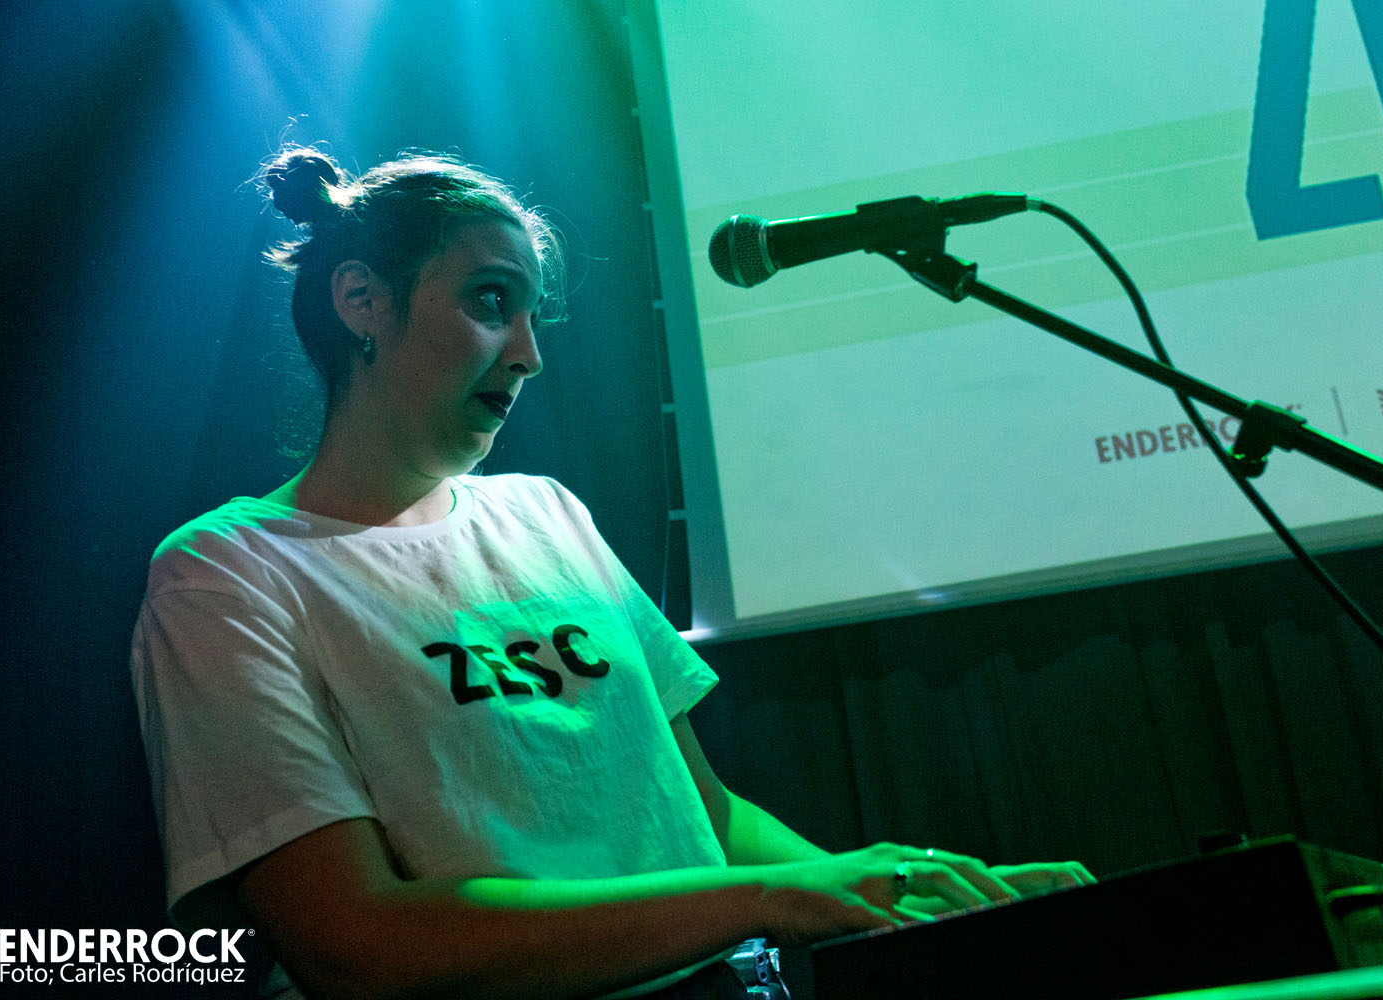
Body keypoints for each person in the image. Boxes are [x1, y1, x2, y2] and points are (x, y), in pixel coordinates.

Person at [130, 147, 1093, 1000]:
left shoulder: (546, 514)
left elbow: (705, 817)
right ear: (362, 301)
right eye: (491, 302)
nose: (529, 354)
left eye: (531, 315)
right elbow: (355, 944)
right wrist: (770, 898)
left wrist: (920, 903)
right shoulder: (228, 573)